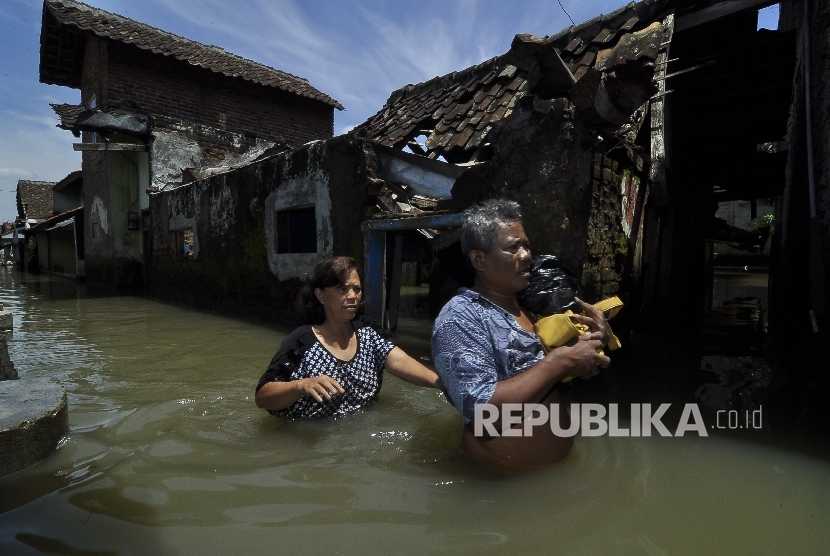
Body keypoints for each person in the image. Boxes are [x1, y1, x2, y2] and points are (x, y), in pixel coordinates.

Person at [431, 199, 611, 467]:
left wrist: (592, 344)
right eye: (512, 248)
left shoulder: (530, 305)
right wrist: (561, 362)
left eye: (526, 245)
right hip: (499, 481)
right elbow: (482, 417)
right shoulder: (459, 318)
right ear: (479, 259)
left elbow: (553, 378)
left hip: (557, 474)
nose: (526, 255)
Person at [256, 256, 441, 418]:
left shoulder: (368, 331)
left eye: (357, 289)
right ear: (320, 295)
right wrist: (300, 385)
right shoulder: (302, 342)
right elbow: (262, 397)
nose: (352, 296)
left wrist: (439, 382)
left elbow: (399, 361)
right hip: (311, 441)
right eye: (342, 289)